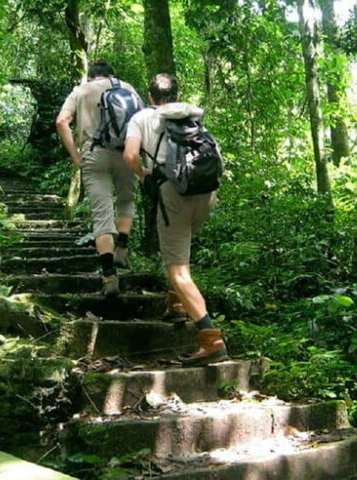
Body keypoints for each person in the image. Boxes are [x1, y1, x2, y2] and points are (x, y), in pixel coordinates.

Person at [123, 73, 228, 367]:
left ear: (151, 96)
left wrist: (144, 174)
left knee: (178, 271)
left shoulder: (141, 117)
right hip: (206, 191)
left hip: (174, 193)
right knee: (180, 251)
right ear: (176, 94)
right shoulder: (190, 115)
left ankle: (211, 338)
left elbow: (131, 155)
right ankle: (176, 304)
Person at [55, 62, 142, 297]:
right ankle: (121, 246)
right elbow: (143, 122)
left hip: (93, 154)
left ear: (90, 76)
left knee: (102, 213)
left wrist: (76, 156)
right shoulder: (128, 88)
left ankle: (109, 275)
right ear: (111, 74)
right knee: (126, 199)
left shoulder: (81, 91)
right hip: (126, 152)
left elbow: (61, 121)